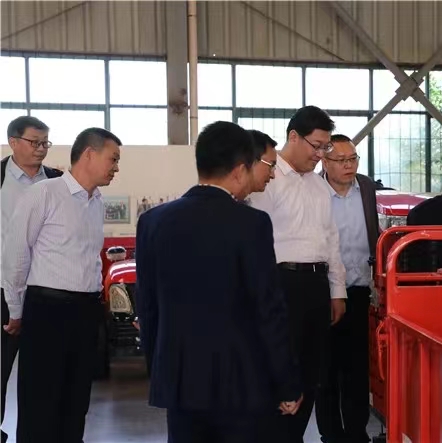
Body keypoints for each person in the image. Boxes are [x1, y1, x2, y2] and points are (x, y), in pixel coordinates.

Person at [135, 121, 302, 443]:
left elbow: (149, 307)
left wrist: (161, 373)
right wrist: (287, 383)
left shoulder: (153, 221)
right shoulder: (251, 223)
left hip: (180, 381)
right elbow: (268, 310)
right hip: (240, 382)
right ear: (239, 171)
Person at [2, 127, 121, 443]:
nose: (116, 168)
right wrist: (16, 310)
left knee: (76, 401)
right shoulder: (44, 193)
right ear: (89, 154)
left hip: (86, 311)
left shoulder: (96, 202)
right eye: (113, 159)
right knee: (41, 402)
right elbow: (16, 256)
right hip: (48, 310)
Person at [247, 106, 346, 442]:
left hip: (316, 286)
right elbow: (255, 241)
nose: (320, 155)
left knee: (310, 372)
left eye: (325, 147)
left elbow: (331, 239)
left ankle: (294, 435)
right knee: (278, 367)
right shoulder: (268, 179)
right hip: (280, 284)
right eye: (316, 146)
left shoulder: (319, 186)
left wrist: (337, 291)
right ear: (293, 136)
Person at [0, 115, 61, 443]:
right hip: (2, 290)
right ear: (13, 142)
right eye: (34, 142)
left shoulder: (58, 181)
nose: (41, 149)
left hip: (45, 291)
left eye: (45, 143)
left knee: (44, 374)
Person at [315, 135, 378, 443]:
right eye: (341, 160)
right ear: (325, 162)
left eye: (353, 159)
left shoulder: (366, 187)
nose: (349, 165)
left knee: (357, 369)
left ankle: (356, 433)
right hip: (323, 292)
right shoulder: (311, 190)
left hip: (360, 289)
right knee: (325, 370)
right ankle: (331, 434)